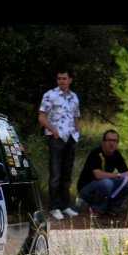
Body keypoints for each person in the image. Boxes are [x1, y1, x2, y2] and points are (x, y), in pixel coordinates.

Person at [38, 68, 81, 220]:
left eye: (64, 78)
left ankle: (65, 205)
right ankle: (54, 207)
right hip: (56, 138)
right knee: (55, 174)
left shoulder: (74, 97)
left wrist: (77, 134)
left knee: (67, 174)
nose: (61, 81)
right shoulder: (50, 95)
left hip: (70, 138)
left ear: (70, 80)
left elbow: (76, 117)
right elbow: (42, 117)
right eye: (59, 78)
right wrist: (53, 131)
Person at [76, 129, 128, 216]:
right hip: (86, 189)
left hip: (104, 186)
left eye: (115, 141)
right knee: (107, 182)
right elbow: (98, 175)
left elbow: (126, 173)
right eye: (109, 140)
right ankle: (96, 209)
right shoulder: (95, 153)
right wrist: (118, 175)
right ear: (103, 142)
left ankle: (112, 208)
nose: (112, 143)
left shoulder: (116, 154)